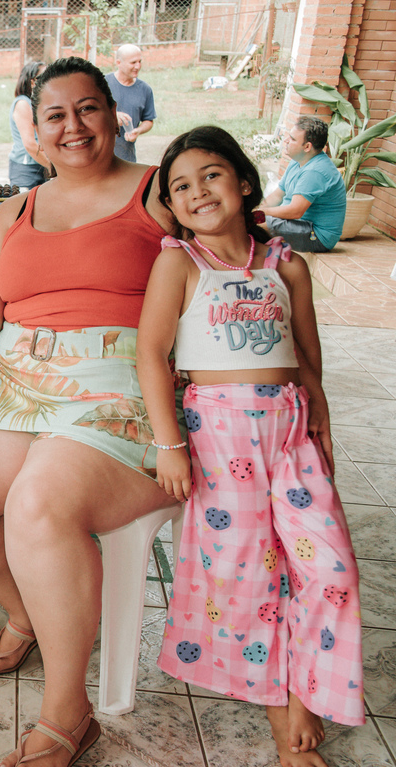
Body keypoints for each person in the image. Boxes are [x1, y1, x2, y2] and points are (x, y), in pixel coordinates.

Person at [0, 57, 180, 767]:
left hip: (122, 395)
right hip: (21, 392)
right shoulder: (15, 210)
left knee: (37, 505)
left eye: (88, 108)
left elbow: (240, 259)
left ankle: (68, 709)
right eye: (54, 114)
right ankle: (28, 610)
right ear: (34, 129)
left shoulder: (157, 193)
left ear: (114, 114)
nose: (73, 126)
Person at [140, 126, 361, 767]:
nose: (197, 191)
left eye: (210, 174)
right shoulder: (178, 263)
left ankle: (310, 685)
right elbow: (152, 356)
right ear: (173, 207)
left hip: (291, 432)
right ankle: (286, 711)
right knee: (250, 576)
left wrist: (319, 408)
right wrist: (169, 443)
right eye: (180, 185)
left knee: (331, 569)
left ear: (243, 180)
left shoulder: (287, 265)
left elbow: (307, 354)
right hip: (218, 434)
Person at [258, 116, 347, 253]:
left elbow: (295, 211)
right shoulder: (297, 161)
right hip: (299, 225)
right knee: (249, 221)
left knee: (255, 225)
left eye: (292, 139)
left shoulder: (315, 171)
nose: (286, 140)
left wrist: (259, 213)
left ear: (307, 147)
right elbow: (277, 196)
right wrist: (254, 209)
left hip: (317, 235)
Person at [106, 44, 156, 163]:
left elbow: (148, 120)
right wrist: (112, 116)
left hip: (126, 157)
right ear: (118, 63)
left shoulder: (145, 89)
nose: (138, 66)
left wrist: (137, 131)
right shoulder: (103, 84)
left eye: (140, 61)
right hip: (101, 155)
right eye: (133, 62)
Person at [9, 60, 50, 189]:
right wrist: (52, 167)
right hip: (27, 168)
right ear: (32, 82)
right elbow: (30, 144)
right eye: (45, 77)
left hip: (42, 164)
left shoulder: (39, 103)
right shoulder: (23, 103)